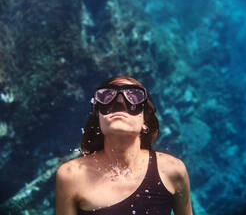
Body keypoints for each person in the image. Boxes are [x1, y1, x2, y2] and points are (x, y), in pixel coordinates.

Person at [56, 76, 193, 215]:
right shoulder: (71, 176)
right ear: (98, 119)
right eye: (106, 96)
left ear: (145, 121)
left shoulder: (173, 170)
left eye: (134, 96)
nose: (120, 103)